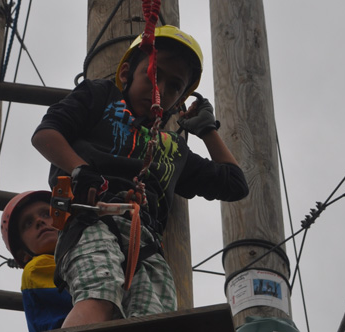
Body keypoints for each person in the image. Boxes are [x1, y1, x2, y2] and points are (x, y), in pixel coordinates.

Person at [31, 25, 249, 328]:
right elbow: (46, 135)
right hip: (91, 220)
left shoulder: (175, 149)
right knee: (101, 295)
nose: (161, 90)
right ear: (125, 75)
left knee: (151, 318)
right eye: (153, 75)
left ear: (179, 102)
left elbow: (235, 184)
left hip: (145, 241)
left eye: (174, 87)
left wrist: (207, 130)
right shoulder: (100, 96)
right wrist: (81, 170)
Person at [0, 190, 74, 332]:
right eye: (28, 223)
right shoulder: (37, 268)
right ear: (23, 255)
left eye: (47, 214)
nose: (39, 221)